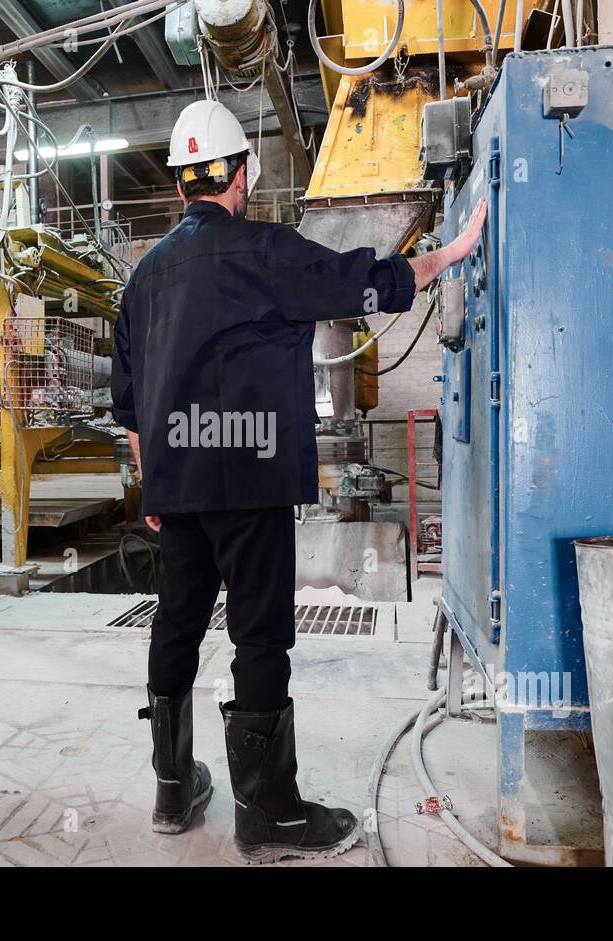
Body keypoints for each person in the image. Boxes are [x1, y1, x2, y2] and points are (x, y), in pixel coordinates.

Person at [112, 99, 488, 863]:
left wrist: (153, 488)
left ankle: (172, 789)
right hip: (247, 480)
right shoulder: (265, 251)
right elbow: (367, 285)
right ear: (239, 174)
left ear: (184, 181)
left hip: (177, 487)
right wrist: (450, 255)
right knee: (260, 636)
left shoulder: (143, 278)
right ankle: (271, 815)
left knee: (176, 625)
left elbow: (128, 402)